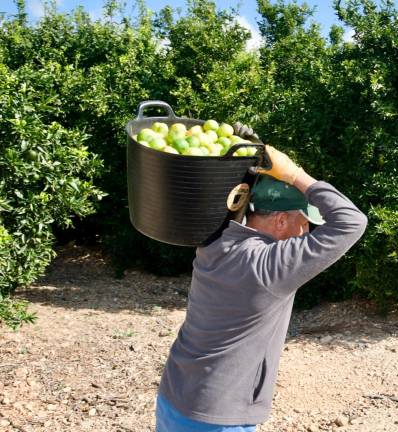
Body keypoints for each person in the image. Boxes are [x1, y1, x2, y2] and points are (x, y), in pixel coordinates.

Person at [155, 126, 368, 431]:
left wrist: (245, 152)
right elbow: (352, 222)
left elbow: (227, 204)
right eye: (304, 223)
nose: (307, 233)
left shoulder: (216, 242)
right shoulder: (271, 266)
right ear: (281, 219)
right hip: (218, 416)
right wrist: (295, 175)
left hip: (175, 398)